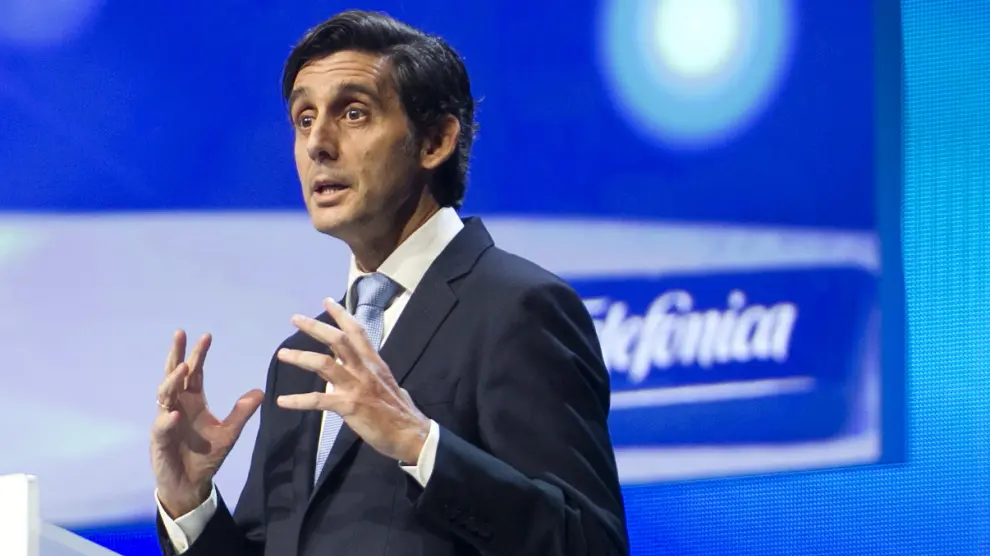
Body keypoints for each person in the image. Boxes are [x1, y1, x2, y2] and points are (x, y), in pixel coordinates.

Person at [150, 9, 628, 556]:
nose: (317, 143)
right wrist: (190, 503)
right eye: (304, 119)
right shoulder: (304, 359)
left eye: (353, 113)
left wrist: (419, 443)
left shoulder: (518, 309)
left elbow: (589, 543)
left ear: (435, 141)